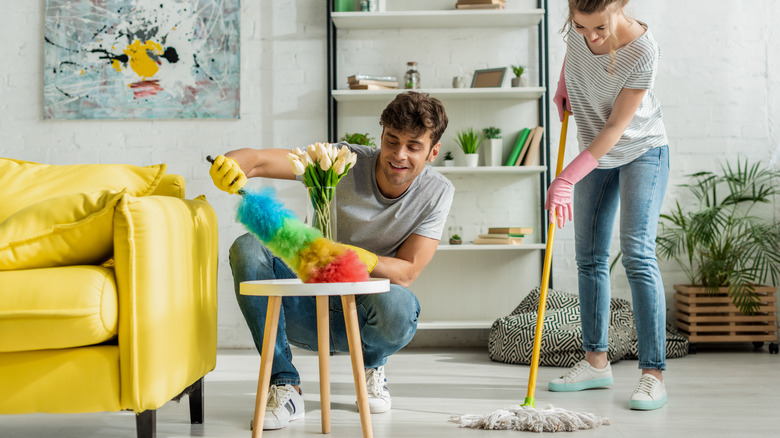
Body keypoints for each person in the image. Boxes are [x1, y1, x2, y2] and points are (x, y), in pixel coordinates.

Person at [209, 91, 454, 430]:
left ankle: (372, 364)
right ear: (380, 135)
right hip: (304, 303)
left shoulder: (437, 192)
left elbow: (408, 271)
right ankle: (284, 384)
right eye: (392, 141)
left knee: (401, 306)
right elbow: (261, 160)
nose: (399, 155)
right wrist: (232, 164)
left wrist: (359, 258)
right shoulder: (341, 160)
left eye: (413, 146)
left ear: (433, 151)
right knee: (248, 246)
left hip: (364, 314)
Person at [545, 0, 670, 411]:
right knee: (589, 258)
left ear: (620, 5)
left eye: (600, 27)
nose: (592, 37)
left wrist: (566, 177)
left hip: (639, 151)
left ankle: (653, 374)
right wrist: (564, 83)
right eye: (582, 27)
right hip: (595, 152)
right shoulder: (579, 27)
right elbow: (575, 54)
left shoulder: (643, 49)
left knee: (636, 254)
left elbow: (616, 126)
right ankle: (596, 362)